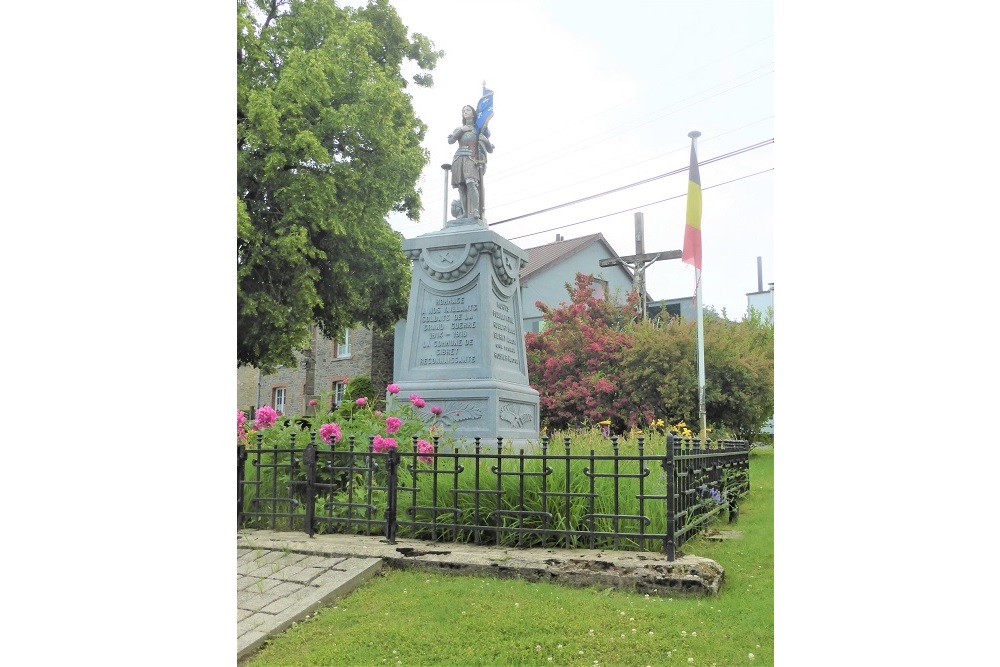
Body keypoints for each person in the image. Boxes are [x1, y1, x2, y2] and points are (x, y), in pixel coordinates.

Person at [448, 104, 493, 220]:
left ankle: (476, 210)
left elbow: (490, 149)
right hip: (458, 158)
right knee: (461, 187)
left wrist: (486, 141)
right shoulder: (459, 129)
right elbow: (450, 140)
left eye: (468, 110)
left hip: (472, 159)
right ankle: (464, 212)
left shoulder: (478, 130)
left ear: (473, 113)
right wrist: (462, 130)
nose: (465, 112)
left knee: (471, 183)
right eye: (463, 110)